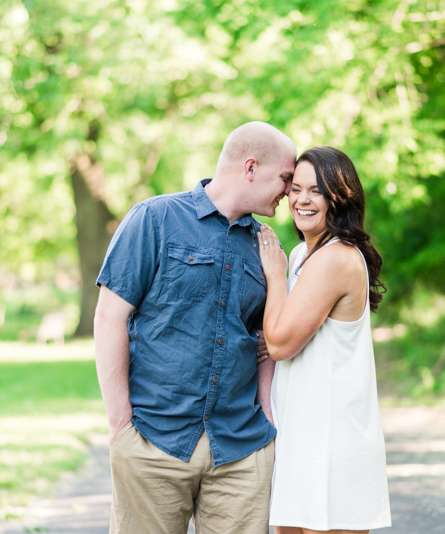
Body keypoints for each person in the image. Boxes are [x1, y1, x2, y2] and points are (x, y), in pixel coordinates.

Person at [94, 121, 296, 534]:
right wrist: (121, 426)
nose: (290, 192)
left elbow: (265, 341)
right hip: (153, 441)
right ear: (251, 167)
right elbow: (108, 317)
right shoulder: (155, 219)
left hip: (241, 451)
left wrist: (270, 422)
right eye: (286, 179)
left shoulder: (268, 248)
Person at [257, 146, 391, 533]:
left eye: (315, 190)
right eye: (295, 188)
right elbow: (281, 331)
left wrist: (273, 275)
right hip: (301, 439)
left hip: (333, 446)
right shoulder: (302, 254)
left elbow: (280, 344)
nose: (301, 199)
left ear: (340, 196)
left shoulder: (337, 257)